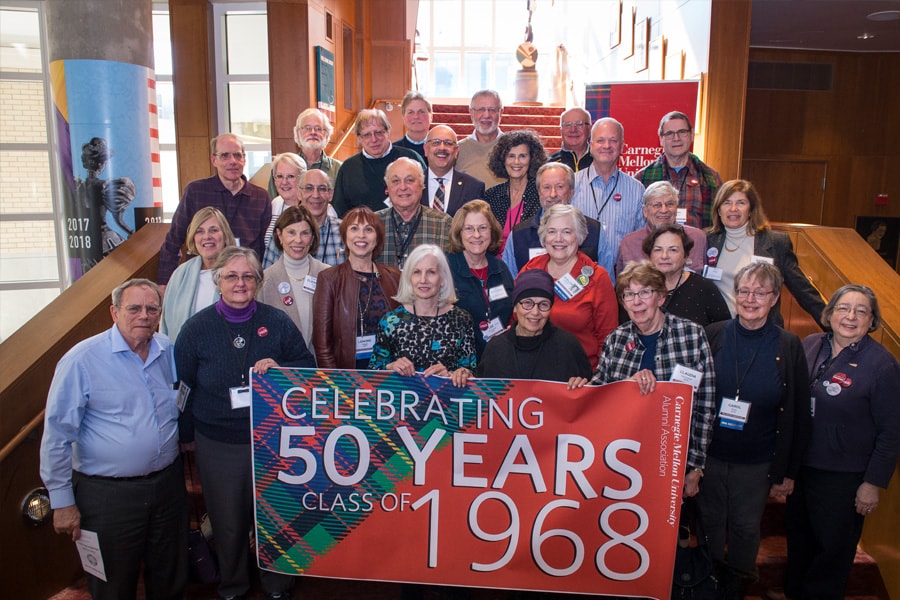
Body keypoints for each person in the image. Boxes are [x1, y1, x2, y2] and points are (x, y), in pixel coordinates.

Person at [175, 246, 315, 600]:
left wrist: (281, 370)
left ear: (258, 280)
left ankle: (277, 585)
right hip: (218, 441)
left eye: (248, 276)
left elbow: (305, 366)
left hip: (274, 439)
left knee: (276, 516)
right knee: (228, 521)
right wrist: (186, 435)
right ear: (218, 279)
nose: (240, 283)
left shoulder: (277, 321)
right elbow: (184, 386)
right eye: (232, 276)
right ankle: (233, 585)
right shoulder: (195, 329)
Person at [40, 278, 188, 599]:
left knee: (171, 579)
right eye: (133, 308)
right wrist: (62, 502)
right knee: (113, 586)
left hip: (167, 486)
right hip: (107, 496)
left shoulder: (168, 351)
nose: (144, 315)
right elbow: (56, 436)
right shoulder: (82, 360)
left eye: (151, 308)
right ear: (114, 312)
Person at [700, 262, 812, 598]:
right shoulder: (714, 334)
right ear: (735, 295)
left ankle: (736, 587)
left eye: (760, 293)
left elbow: (797, 413)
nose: (750, 299)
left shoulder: (789, 344)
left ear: (774, 298)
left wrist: (788, 472)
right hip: (712, 454)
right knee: (709, 524)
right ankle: (707, 585)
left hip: (758, 459)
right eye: (744, 291)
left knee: (746, 529)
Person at [784, 285, 900, 599]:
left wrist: (872, 483)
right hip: (802, 469)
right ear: (830, 312)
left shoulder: (882, 364)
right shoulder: (809, 344)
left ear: (872, 320)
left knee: (831, 554)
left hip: (845, 478)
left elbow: (892, 431)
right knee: (799, 544)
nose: (850, 317)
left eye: (861, 311)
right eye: (843, 308)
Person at [573, 261, 716, 499]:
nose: (636, 301)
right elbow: (600, 395)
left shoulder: (692, 335)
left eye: (644, 293)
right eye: (628, 294)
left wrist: (695, 466)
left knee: (667, 531)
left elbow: (704, 404)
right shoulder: (616, 339)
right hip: (621, 460)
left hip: (671, 461)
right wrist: (581, 389)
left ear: (660, 298)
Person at [157, 133, 271, 289]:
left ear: (244, 159)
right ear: (213, 160)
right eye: (224, 156)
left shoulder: (260, 197)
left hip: (243, 282)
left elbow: (264, 246)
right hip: (201, 279)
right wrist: (164, 282)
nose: (232, 161)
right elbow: (174, 239)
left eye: (237, 155)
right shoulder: (196, 191)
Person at [705, 179, 826, 324]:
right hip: (720, 331)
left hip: (765, 332)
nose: (733, 209)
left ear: (751, 209)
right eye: (727, 203)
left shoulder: (775, 243)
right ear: (718, 210)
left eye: (741, 203)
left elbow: (803, 290)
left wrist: (832, 323)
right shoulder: (706, 240)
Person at [519, 204, 618, 368]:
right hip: (533, 372)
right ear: (544, 237)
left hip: (580, 376)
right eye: (552, 232)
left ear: (579, 236)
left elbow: (608, 338)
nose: (558, 239)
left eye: (566, 231)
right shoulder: (530, 270)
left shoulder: (597, 278)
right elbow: (516, 322)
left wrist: (596, 381)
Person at [369, 244, 476, 379]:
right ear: (409, 278)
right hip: (403, 398)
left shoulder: (462, 320)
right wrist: (391, 366)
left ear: (442, 279)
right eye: (417, 272)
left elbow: (470, 371)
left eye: (431, 272)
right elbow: (373, 372)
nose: (423, 280)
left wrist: (452, 375)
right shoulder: (391, 321)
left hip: (446, 398)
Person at [313, 207, 401, 369]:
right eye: (354, 228)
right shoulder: (329, 279)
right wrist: (336, 385)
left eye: (369, 229)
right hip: (346, 377)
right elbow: (322, 345)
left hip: (390, 377)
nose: (361, 235)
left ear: (377, 238)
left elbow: (405, 334)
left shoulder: (395, 277)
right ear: (345, 237)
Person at [478, 269, 592, 381]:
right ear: (515, 307)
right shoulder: (495, 348)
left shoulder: (568, 346)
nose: (535, 312)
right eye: (528, 303)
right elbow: (482, 395)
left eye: (543, 304)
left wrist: (582, 385)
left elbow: (589, 392)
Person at [571, 117, 646, 280]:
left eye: (613, 140)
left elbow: (643, 238)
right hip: (577, 277)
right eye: (600, 140)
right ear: (590, 145)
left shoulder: (637, 189)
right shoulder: (571, 185)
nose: (606, 146)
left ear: (622, 146)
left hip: (624, 279)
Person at [502, 162, 601, 274]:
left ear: (571, 192)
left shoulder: (595, 231)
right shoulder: (518, 235)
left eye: (560, 187)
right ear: (539, 191)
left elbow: (606, 283)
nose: (553, 194)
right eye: (547, 187)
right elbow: (509, 284)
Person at [446, 200, 514, 359]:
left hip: (498, 360)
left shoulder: (501, 268)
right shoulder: (445, 269)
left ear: (492, 231)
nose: (476, 235)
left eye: (483, 228)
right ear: (459, 232)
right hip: (458, 364)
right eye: (469, 229)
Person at [258, 205, 331, 355]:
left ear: (312, 237)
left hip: (321, 369)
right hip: (281, 370)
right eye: (291, 233)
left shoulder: (328, 275)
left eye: (305, 233)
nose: (298, 240)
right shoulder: (264, 281)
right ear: (279, 235)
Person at [635, 111, 722, 229]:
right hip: (654, 246)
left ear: (691, 134)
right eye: (670, 133)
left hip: (697, 246)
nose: (676, 138)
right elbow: (636, 224)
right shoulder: (642, 178)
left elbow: (718, 225)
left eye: (682, 132)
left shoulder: (711, 178)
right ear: (661, 139)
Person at [161, 206, 236, 341]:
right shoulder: (180, 274)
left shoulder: (239, 271)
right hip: (184, 356)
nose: (207, 237)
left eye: (213, 230)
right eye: (200, 231)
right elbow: (165, 327)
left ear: (225, 235)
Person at [331, 108, 426, 216]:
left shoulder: (411, 158)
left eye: (378, 132)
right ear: (359, 138)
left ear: (388, 131)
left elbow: (426, 196)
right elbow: (340, 211)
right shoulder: (348, 168)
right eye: (367, 135)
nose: (374, 139)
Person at [644, 223, 730, 327]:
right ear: (650, 255)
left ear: (686, 255)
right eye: (658, 249)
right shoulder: (639, 288)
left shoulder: (704, 288)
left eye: (673, 250)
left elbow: (723, 330)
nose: (664, 256)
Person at [616, 181, 708, 276]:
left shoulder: (698, 238)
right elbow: (622, 286)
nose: (664, 210)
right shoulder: (629, 243)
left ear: (677, 209)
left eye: (669, 204)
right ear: (645, 211)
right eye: (657, 205)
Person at [376, 157, 452, 269]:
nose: (403, 187)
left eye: (410, 180)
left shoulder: (444, 224)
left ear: (422, 184)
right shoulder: (373, 223)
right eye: (396, 181)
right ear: (387, 188)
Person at [263, 169, 343, 268]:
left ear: (330, 194)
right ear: (299, 193)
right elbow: (268, 279)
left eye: (322, 189)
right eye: (309, 188)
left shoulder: (345, 231)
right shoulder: (282, 231)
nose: (316, 195)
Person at [483, 129, 548, 250]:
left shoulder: (541, 194)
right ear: (502, 160)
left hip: (529, 263)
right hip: (497, 265)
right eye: (511, 156)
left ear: (532, 159)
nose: (516, 162)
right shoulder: (492, 195)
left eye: (522, 156)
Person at [420, 124, 485, 216]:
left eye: (448, 143)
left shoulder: (474, 188)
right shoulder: (413, 184)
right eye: (436, 142)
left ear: (456, 151)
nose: (442, 148)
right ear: (426, 149)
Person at [456, 89, 505, 189]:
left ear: (501, 112)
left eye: (492, 110)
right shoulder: (457, 150)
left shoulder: (512, 147)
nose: (486, 115)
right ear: (471, 112)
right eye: (481, 109)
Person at [263, 152, 307, 248]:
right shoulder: (275, 203)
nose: (284, 182)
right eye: (279, 176)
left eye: (291, 176)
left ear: (302, 178)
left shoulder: (312, 207)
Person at [293, 107, 341, 180]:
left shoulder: (339, 169)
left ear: (327, 134)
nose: (313, 132)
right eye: (307, 128)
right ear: (298, 133)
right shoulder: (284, 168)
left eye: (318, 129)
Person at [547, 107, 593, 172]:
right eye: (567, 124)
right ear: (561, 130)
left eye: (579, 124)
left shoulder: (600, 161)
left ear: (589, 129)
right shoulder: (549, 164)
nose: (573, 129)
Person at [393, 91, 432, 161]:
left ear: (431, 116)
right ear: (403, 117)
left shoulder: (439, 149)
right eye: (410, 112)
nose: (416, 116)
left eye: (421, 112)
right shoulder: (393, 150)